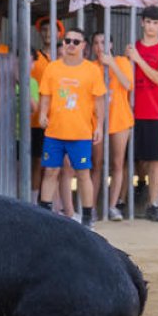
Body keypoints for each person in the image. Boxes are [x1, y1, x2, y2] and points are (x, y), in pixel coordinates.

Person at [37, 29, 107, 229]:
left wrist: (99, 125)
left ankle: (87, 216)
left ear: (84, 45)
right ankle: (43, 215)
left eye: (76, 42)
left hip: (81, 132)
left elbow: (99, 100)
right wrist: (43, 113)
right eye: (67, 40)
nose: (71, 44)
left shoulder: (92, 69)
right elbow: (46, 94)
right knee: (51, 171)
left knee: (83, 173)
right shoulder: (53, 68)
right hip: (54, 131)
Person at [128, 5, 158, 222]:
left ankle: (153, 204)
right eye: (148, 22)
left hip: (155, 112)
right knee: (131, 159)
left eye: (156, 23)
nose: (151, 26)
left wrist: (138, 60)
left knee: (156, 160)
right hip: (132, 112)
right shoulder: (133, 47)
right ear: (142, 22)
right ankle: (124, 200)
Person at [91, 32, 134, 220]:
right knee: (97, 165)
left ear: (110, 44)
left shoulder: (122, 61)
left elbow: (128, 85)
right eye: (96, 43)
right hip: (97, 121)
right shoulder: (90, 67)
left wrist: (112, 65)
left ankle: (112, 205)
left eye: (103, 42)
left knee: (118, 163)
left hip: (120, 118)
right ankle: (90, 206)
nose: (100, 46)